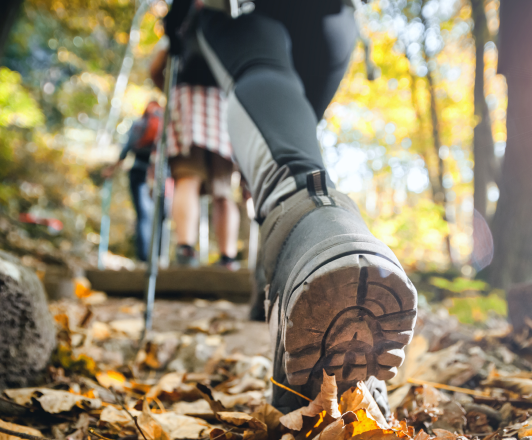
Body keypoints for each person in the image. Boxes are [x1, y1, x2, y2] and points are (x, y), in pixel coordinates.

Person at [163, 0, 418, 418]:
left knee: (265, 87)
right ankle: (280, 270)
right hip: (333, 21)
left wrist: (176, 24)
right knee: (286, 132)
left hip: (240, 13)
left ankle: (310, 230)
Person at [150, 34, 240, 269]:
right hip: (224, 106)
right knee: (223, 190)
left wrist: (171, 90)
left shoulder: (184, 22)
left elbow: (156, 67)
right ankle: (227, 257)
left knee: (187, 178)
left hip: (186, 101)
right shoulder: (230, 25)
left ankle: (185, 248)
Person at [102, 101, 161, 262]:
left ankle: (144, 259)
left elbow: (126, 149)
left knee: (143, 216)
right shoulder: (166, 123)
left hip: (139, 172)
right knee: (159, 216)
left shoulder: (138, 124)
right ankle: (159, 257)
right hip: (161, 175)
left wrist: (111, 169)